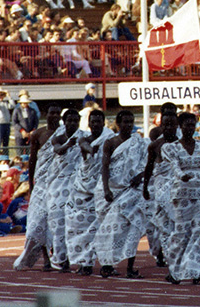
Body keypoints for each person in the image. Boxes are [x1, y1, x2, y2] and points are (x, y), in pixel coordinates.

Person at [94, 110, 148, 279]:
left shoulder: (138, 142)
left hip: (132, 191)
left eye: (131, 121)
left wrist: (140, 176)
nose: (129, 125)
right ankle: (107, 265)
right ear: (118, 124)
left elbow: (147, 164)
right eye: (125, 122)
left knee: (134, 226)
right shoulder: (110, 142)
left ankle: (131, 267)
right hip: (112, 190)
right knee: (110, 230)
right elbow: (104, 167)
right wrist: (106, 190)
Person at [161, 112, 200, 285]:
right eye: (186, 125)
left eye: (192, 125)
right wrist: (182, 176)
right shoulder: (171, 147)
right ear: (180, 127)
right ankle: (174, 270)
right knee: (182, 233)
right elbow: (175, 166)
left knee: (199, 231)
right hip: (181, 194)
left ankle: (197, 272)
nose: (190, 128)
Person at [65, 109, 114, 276]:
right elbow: (85, 146)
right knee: (80, 228)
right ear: (89, 123)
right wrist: (93, 149)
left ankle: (104, 263)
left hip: (101, 188)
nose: (95, 124)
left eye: (98, 121)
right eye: (92, 122)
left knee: (100, 229)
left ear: (103, 122)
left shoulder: (109, 139)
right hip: (83, 189)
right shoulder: (83, 139)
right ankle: (84, 263)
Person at [14, 105, 62, 271]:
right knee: (38, 222)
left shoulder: (65, 134)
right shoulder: (38, 134)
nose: (54, 116)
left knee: (55, 223)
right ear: (46, 114)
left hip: (58, 185)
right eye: (52, 113)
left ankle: (56, 256)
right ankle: (46, 259)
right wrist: (31, 184)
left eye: (57, 113)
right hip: (41, 184)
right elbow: (33, 161)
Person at [47, 109, 86, 272]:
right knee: (58, 225)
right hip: (58, 187)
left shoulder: (83, 136)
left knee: (75, 224)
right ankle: (59, 258)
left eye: (75, 121)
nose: (72, 123)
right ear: (64, 122)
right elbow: (58, 150)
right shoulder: (58, 137)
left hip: (77, 186)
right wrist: (69, 144)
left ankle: (72, 258)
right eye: (69, 120)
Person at [142, 111, 179, 268]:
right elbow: (149, 167)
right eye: (166, 124)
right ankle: (165, 256)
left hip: (179, 191)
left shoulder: (182, 144)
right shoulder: (155, 145)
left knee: (178, 224)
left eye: (172, 124)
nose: (169, 127)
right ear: (161, 125)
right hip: (160, 190)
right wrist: (145, 187)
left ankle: (177, 258)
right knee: (162, 225)